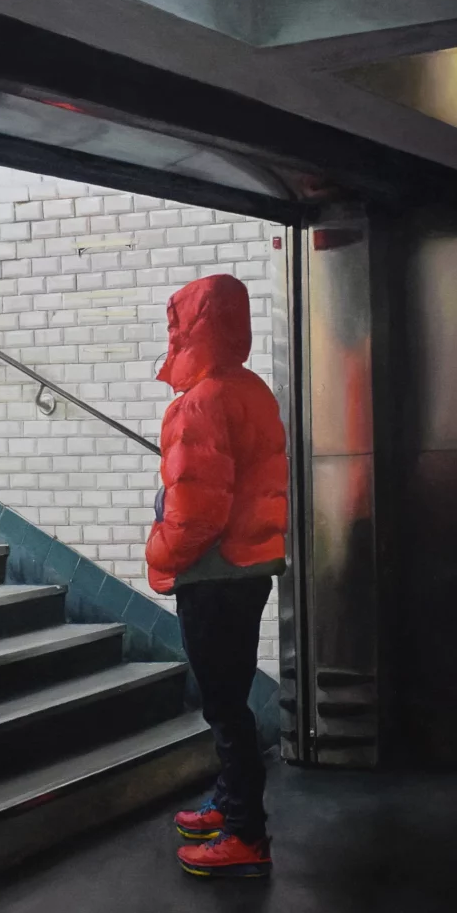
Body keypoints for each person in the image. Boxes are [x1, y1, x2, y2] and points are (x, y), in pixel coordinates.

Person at [146, 273, 288, 878]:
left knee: (224, 705)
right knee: (229, 699)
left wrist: (160, 553)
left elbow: (196, 511)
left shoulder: (201, 400)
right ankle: (232, 804)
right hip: (250, 567)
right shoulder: (250, 387)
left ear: (192, 328)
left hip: (213, 574)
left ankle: (244, 836)